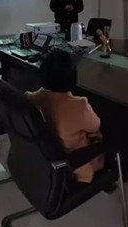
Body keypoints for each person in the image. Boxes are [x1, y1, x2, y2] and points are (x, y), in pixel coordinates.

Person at [25, 51, 103, 183]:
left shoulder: (32, 98)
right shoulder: (79, 106)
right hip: (75, 166)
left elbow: (28, 96)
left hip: (45, 161)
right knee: (105, 134)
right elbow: (95, 125)